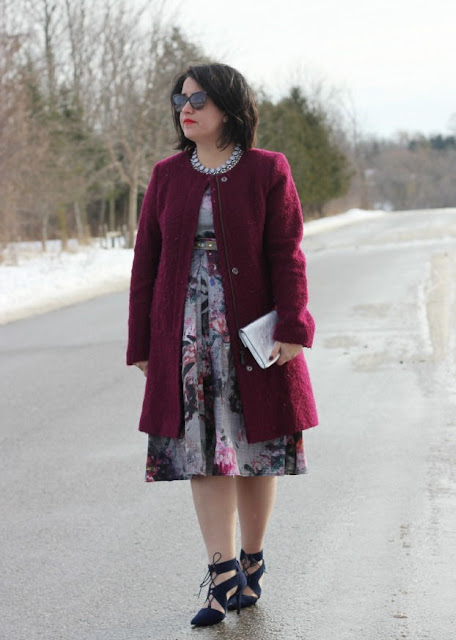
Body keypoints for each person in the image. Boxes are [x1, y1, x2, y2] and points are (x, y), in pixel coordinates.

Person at [126, 63, 318, 627]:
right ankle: (221, 574)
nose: (186, 108)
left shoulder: (268, 170)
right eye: (179, 99)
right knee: (202, 454)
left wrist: (292, 327)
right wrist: (142, 341)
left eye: (199, 98)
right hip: (185, 336)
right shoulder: (166, 175)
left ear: (230, 107)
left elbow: (288, 252)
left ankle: (251, 559)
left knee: (256, 452)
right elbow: (147, 265)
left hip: (251, 337)